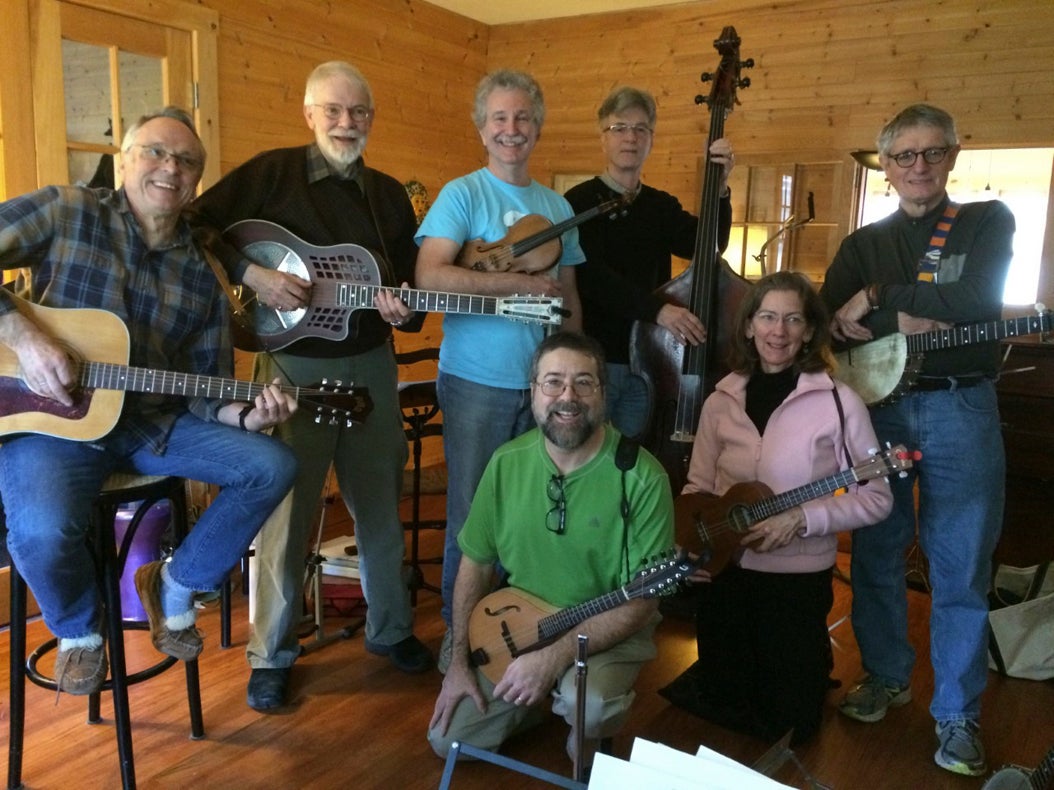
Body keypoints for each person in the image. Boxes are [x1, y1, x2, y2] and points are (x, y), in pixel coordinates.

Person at [0, 107, 298, 696]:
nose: (171, 167)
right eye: (156, 152)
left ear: (196, 182)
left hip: (150, 425)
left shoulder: (201, 275)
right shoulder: (68, 211)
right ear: (124, 160)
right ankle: (80, 632)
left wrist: (249, 414)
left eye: (187, 161)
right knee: (39, 531)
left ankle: (174, 585)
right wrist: (23, 336)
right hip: (52, 423)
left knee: (272, 464)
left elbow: (207, 388)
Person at [188, 61, 433, 712]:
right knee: (287, 515)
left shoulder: (386, 196)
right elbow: (197, 223)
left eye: (359, 113)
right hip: (292, 369)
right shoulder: (271, 173)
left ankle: (392, 630)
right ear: (309, 113)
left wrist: (405, 309)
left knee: (379, 504)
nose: (347, 123)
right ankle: (271, 655)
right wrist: (252, 274)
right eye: (333, 110)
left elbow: (409, 285)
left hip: (372, 364)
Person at [819, 103, 1014, 776]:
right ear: (886, 166)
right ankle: (886, 676)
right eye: (905, 156)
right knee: (874, 551)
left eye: (933, 153)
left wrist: (880, 298)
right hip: (881, 415)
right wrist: (903, 312)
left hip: (962, 409)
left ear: (953, 157)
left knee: (960, 567)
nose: (919, 166)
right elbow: (829, 324)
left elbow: (980, 304)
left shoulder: (988, 221)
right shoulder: (858, 241)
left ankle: (958, 718)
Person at [660, 271, 893, 745]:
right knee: (724, 700)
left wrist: (804, 518)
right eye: (767, 317)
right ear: (749, 326)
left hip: (796, 579)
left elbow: (877, 497)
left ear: (810, 330)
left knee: (790, 719)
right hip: (727, 570)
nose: (778, 331)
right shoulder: (720, 400)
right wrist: (691, 549)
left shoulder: (840, 401)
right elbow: (698, 488)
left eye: (792, 319)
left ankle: (808, 662)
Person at [427, 331, 674, 769]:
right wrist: (460, 661)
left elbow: (641, 601)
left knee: (593, 706)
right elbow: (476, 564)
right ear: (533, 392)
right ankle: (538, 699)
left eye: (584, 382)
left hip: (605, 622)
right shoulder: (506, 462)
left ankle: (573, 709)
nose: (568, 396)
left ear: (603, 393)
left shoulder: (643, 476)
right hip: (519, 623)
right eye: (553, 382)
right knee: (448, 741)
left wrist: (554, 657)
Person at [414, 69, 585, 642]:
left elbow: (570, 297)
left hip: (541, 388)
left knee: (530, 514)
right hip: (476, 382)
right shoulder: (462, 194)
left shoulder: (555, 204)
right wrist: (512, 287)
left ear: (537, 127)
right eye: (500, 119)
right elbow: (431, 275)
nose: (512, 129)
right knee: (472, 516)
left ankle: (511, 636)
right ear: (483, 129)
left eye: (523, 118)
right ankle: (459, 639)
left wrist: (572, 373)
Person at [564, 86, 734, 439]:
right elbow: (592, 277)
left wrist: (719, 190)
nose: (631, 138)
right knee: (588, 457)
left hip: (651, 363)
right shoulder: (578, 202)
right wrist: (658, 310)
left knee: (635, 463)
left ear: (651, 140)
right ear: (603, 138)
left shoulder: (660, 206)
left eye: (641, 129)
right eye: (620, 128)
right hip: (597, 361)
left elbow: (709, 245)